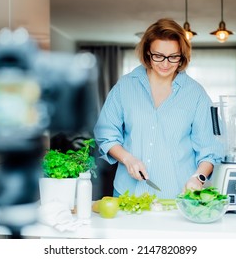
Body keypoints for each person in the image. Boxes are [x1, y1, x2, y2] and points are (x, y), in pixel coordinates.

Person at [93, 18, 223, 199]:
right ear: (148, 52)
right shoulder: (125, 87)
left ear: (182, 56)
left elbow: (210, 150)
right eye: (158, 56)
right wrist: (127, 159)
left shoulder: (196, 94)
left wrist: (198, 178)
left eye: (173, 57)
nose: (165, 63)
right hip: (127, 194)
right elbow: (105, 134)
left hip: (178, 196)